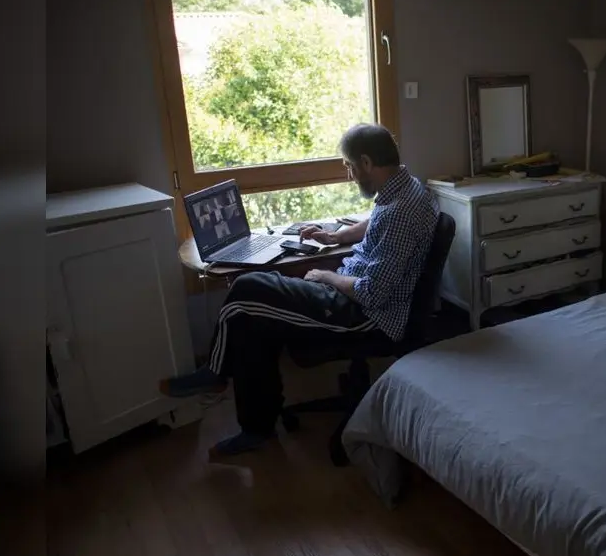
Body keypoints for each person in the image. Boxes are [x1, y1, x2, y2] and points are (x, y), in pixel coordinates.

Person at [161, 123, 439, 456]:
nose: (349, 175)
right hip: (353, 296)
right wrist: (335, 237)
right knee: (252, 317)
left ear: (366, 163)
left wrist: (327, 277)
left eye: (350, 166)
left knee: (246, 291)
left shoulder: (401, 212)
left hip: (363, 315)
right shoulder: (406, 188)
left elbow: (372, 294)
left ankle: (215, 373)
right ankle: (255, 425)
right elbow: (376, 220)